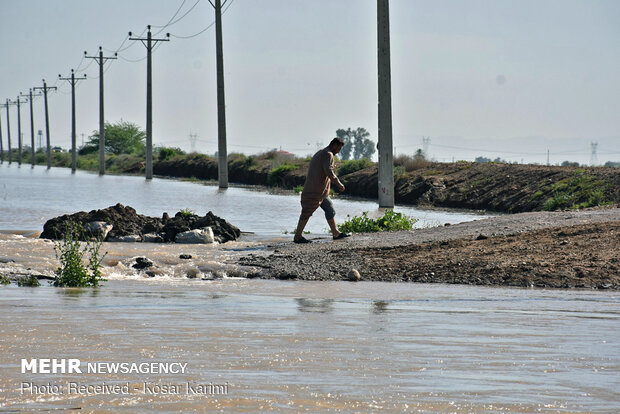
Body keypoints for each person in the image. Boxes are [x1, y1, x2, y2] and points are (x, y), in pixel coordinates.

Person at [293, 137, 351, 243]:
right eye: (339, 148)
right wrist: (338, 183)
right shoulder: (328, 154)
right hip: (315, 191)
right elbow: (328, 170)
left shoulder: (321, 153)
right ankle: (297, 237)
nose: (339, 151)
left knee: (330, 209)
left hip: (322, 192)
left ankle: (336, 233)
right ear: (334, 145)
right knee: (306, 213)